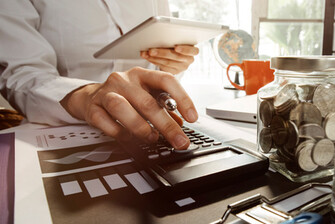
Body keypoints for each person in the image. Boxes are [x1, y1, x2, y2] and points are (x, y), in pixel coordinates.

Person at [0, 0, 200, 149]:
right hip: (60, 133)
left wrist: (169, 67)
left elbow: (154, 61)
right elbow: (20, 74)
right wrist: (87, 95)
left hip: (151, 126)